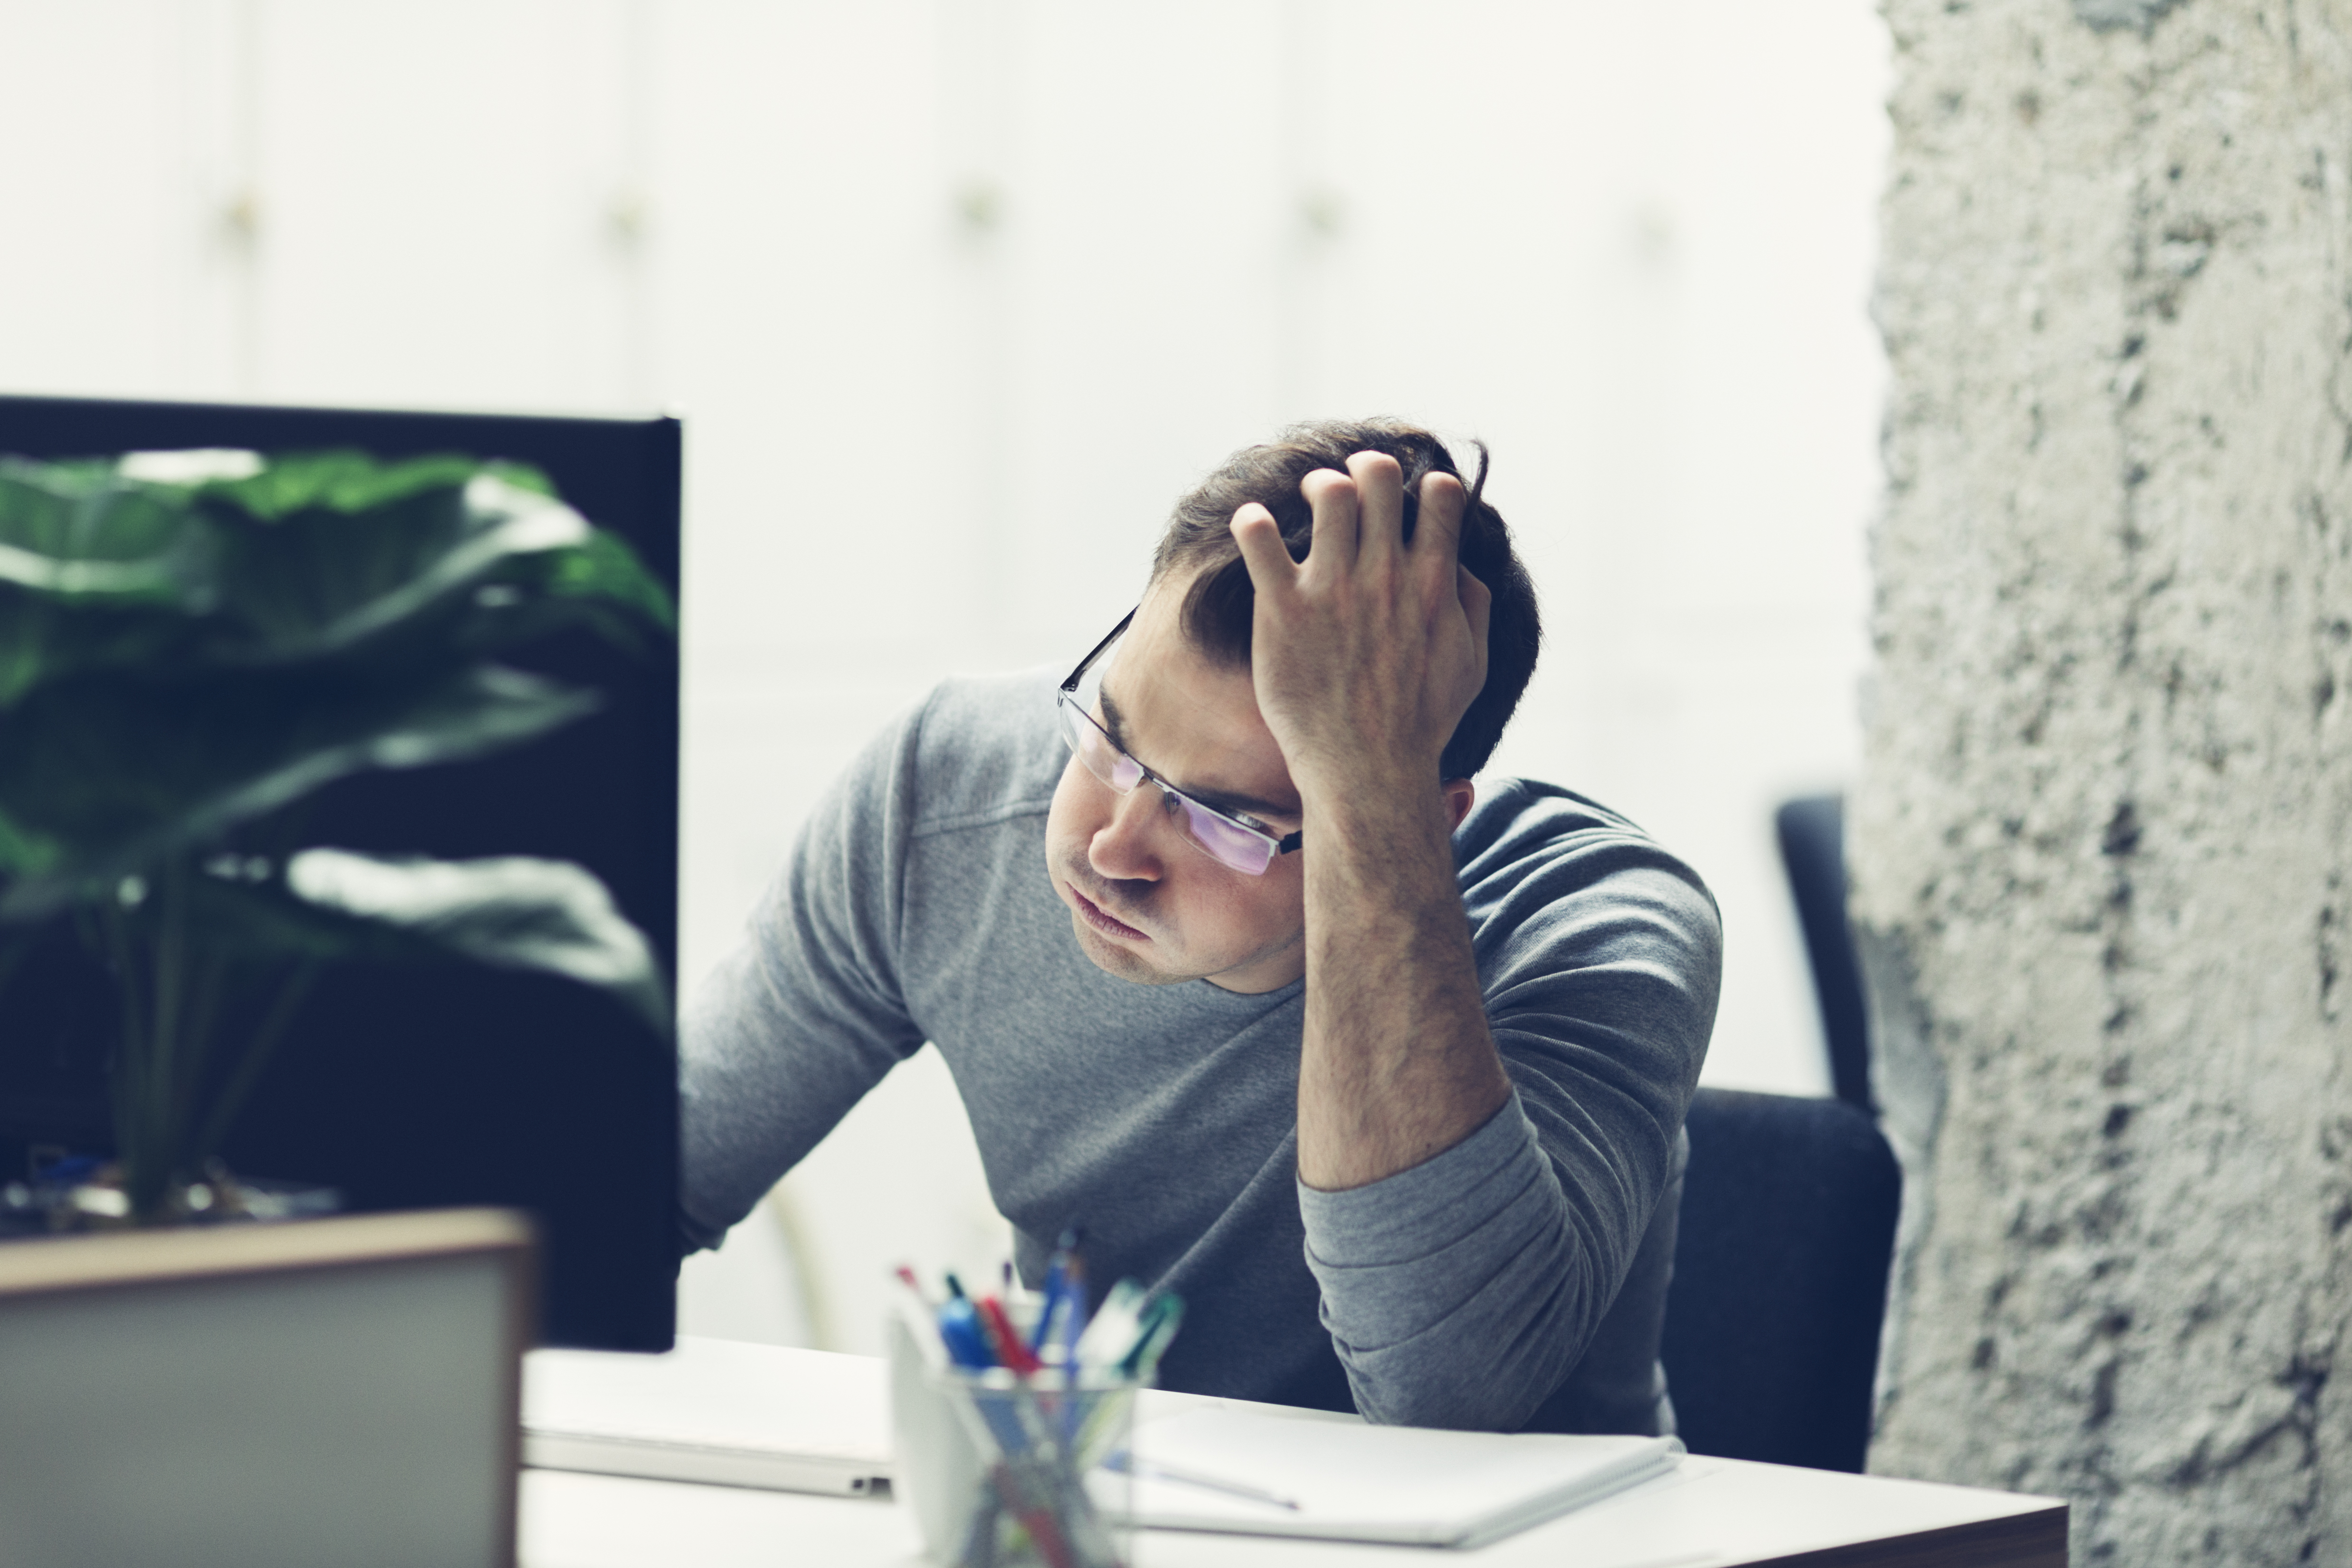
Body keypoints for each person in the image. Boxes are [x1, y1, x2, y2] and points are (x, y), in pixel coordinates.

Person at [681, 419, 1720, 1434]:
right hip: (1089, 1511)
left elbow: (1446, 1397)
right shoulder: (944, 789)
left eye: (1226, 816)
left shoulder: (1602, 923)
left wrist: (1368, 792)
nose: (1111, 850)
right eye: (1112, 732)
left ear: (1426, 819)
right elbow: (637, 1186)